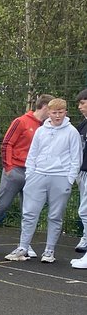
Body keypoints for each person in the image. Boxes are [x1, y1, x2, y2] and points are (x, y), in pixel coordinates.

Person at [5, 98, 81, 263]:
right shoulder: (41, 130)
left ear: (66, 112)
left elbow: (76, 158)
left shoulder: (72, 132)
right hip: (37, 175)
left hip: (60, 177)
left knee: (55, 215)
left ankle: (49, 251)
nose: (57, 116)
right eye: (54, 112)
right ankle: (23, 247)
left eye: (61, 112)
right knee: (29, 213)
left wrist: (69, 180)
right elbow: (33, 154)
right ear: (49, 113)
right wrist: (31, 174)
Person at [0, 95, 51, 254]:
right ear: (45, 107)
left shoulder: (46, 127)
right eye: (52, 109)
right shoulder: (21, 121)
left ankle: (25, 244)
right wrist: (9, 168)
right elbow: (7, 143)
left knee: (28, 209)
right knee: (2, 205)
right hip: (15, 170)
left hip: (32, 173)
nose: (54, 113)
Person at [74, 89, 87, 254]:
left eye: (82, 103)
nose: (79, 107)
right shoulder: (82, 124)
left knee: (84, 209)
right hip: (83, 172)